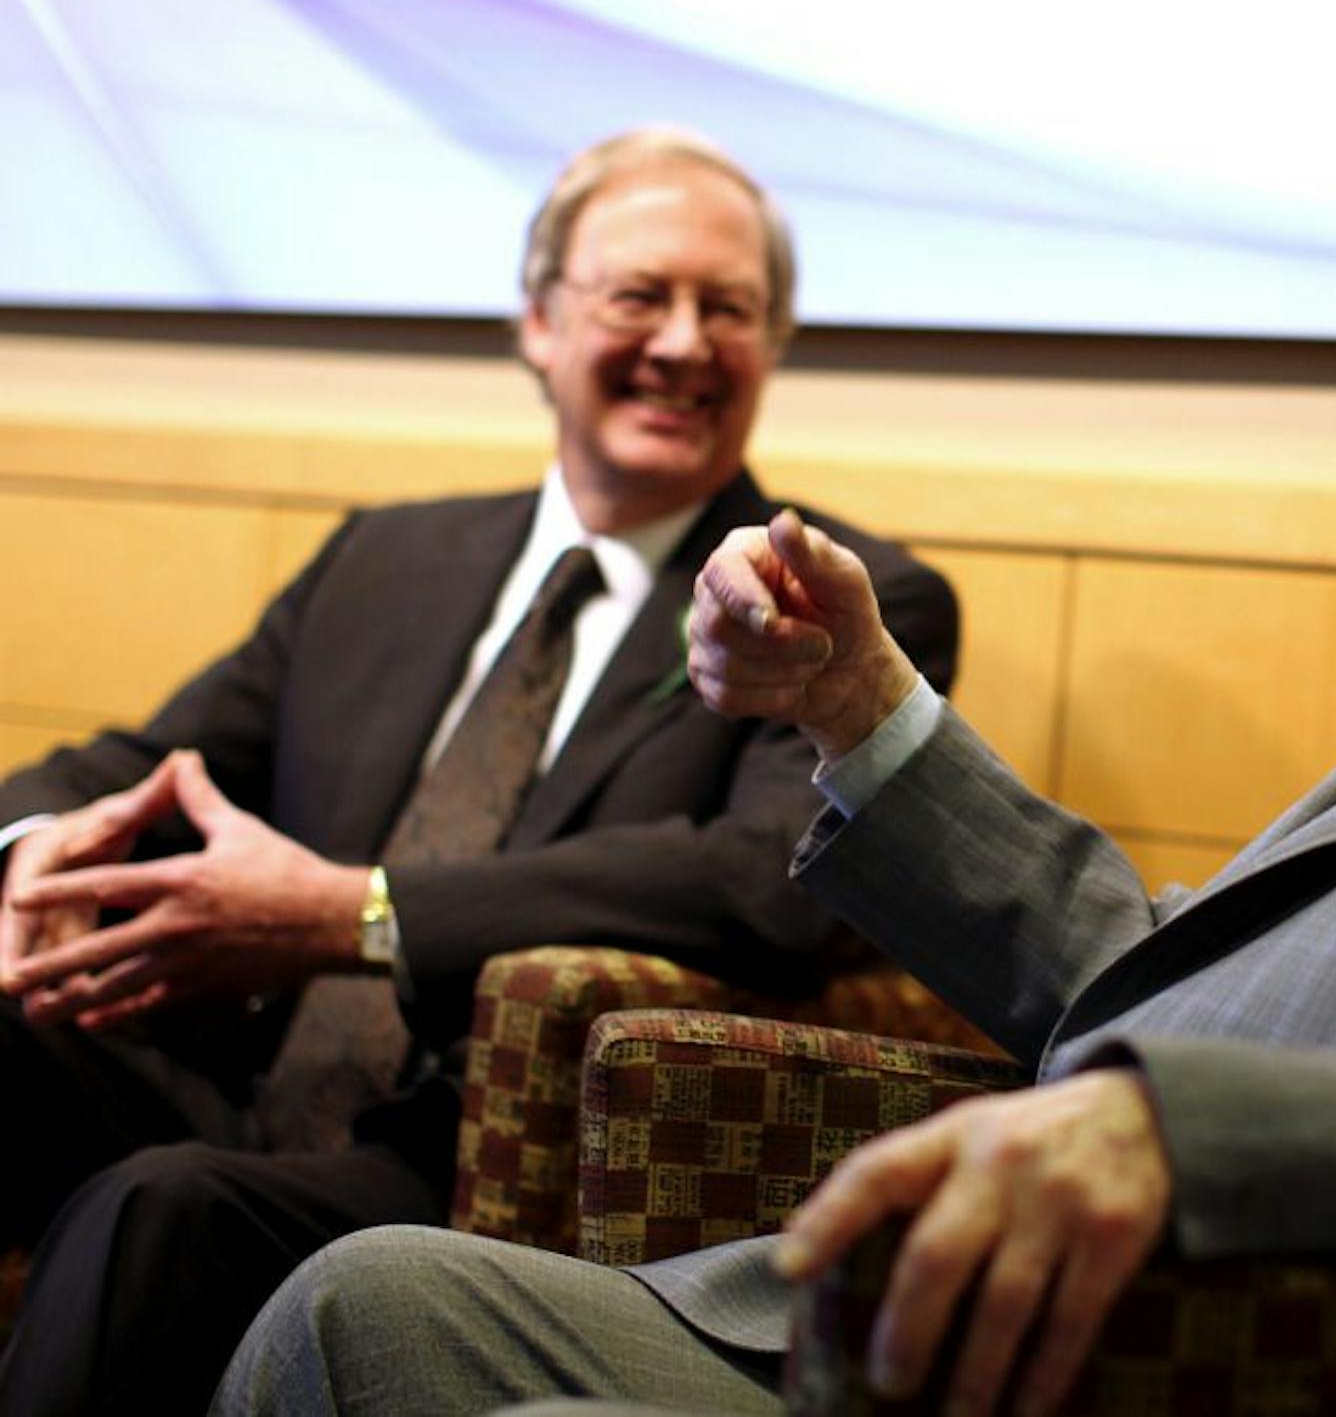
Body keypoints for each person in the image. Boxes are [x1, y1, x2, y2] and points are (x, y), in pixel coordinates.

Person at [216, 211, 1336, 1417]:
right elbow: (1145, 979)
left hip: (1205, 1357)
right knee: (357, 1301)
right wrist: (862, 707)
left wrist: (1178, 1141)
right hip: (932, 1319)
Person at [0, 127, 959, 1417]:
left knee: (158, 1208)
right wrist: (32, 850)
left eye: (728, 309)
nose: (683, 342)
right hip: (238, 1077)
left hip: (475, 1148)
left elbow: (767, 881)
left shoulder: (837, 598)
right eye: (639, 297)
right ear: (541, 322)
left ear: (771, 346)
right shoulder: (387, 558)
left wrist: (361, 915)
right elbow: (144, 763)